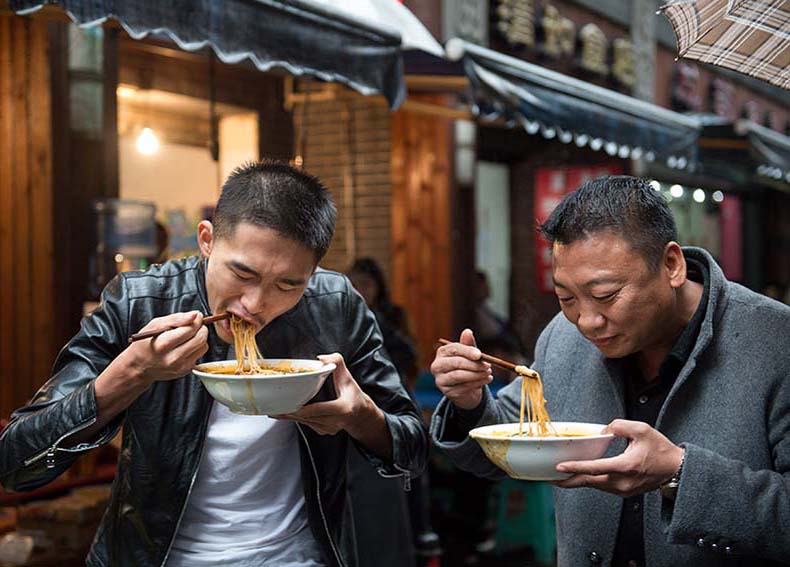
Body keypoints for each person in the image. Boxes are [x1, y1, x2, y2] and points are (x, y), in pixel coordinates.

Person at [0, 160, 428, 567]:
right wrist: (132, 373)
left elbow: (413, 449)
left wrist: (360, 417)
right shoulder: (139, 301)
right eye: (243, 274)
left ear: (313, 274)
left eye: (287, 285)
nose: (255, 304)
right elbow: (15, 463)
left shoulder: (335, 304)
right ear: (206, 240)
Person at [430, 176, 790, 567]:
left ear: (671, 265)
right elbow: (506, 448)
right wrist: (469, 402)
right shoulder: (563, 337)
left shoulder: (775, 342)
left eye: (606, 295)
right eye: (566, 297)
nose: (586, 321)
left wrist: (679, 474)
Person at [346, 257, 440, 567]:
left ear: (378, 287)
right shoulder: (343, 315)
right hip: (362, 410)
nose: (359, 290)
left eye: (365, 284)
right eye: (354, 284)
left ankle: (423, 533)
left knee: (408, 473)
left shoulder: (387, 318)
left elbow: (409, 354)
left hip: (392, 403)